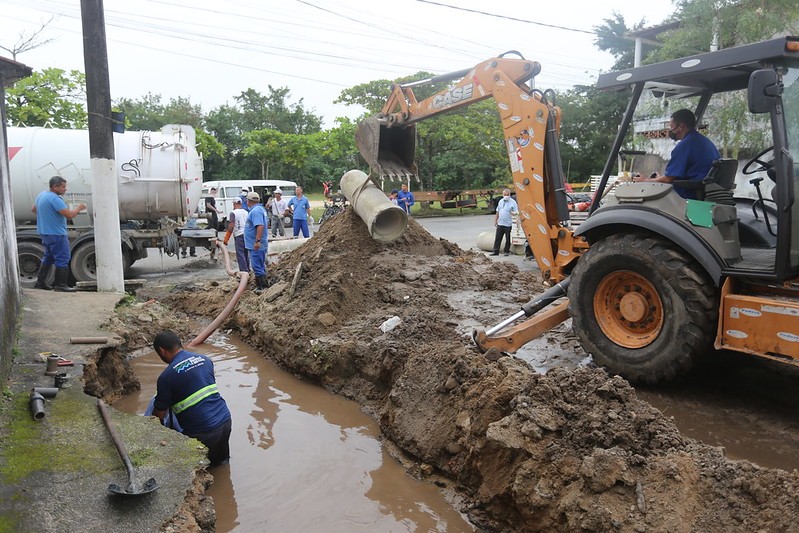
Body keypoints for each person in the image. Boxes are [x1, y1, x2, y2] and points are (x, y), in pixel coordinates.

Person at [152, 330, 232, 467]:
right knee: (221, 464)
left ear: (162, 351)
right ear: (179, 344)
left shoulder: (166, 377)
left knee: (198, 471)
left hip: (202, 432)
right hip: (224, 421)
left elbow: (158, 415)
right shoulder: (205, 360)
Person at [633, 108, 720, 199]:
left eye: (671, 127)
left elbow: (668, 180)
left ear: (681, 127)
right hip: (705, 190)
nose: (670, 131)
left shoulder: (685, 145)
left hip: (689, 194)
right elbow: (673, 176)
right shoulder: (702, 141)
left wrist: (644, 181)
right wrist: (658, 179)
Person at [32, 176, 86, 292]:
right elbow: (70, 215)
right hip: (56, 233)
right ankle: (60, 285)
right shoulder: (55, 199)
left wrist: (47, 218)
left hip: (44, 232)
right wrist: (79, 208)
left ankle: (40, 283)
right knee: (63, 258)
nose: (65, 189)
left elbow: (34, 210)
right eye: (63, 187)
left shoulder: (42, 195)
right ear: (55, 187)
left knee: (49, 257)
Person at [244, 191, 270, 292]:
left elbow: (260, 226)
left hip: (256, 244)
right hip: (257, 243)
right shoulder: (260, 209)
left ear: (248, 201)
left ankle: (263, 286)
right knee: (259, 264)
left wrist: (257, 241)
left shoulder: (255, 211)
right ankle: (260, 285)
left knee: (256, 265)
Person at [490, 189, 518, 256]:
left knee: (508, 238)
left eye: (507, 195)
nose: (506, 196)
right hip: (500, 223)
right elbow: (498, 211)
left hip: (508, 224)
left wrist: (515, 220)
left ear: (509, 195)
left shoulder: (513, 203)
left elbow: (516, 213)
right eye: (504, 195)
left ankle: (506, 251)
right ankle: (495, 251)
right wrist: (496, 220)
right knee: (498, 238)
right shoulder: (501, 201)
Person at [226, 198, 250, 273]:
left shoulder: (233, 213)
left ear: (235, 203)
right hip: (247, 234)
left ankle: (243, 272)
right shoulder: (246, 212)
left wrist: (226, 238)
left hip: (239, 235)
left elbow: (231, 226)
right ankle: (248, 269)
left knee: (240, 254)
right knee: (246, 253)